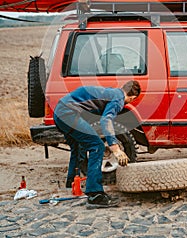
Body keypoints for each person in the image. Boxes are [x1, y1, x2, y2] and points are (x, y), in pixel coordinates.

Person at [54, 80, 141, 209]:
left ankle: (72, 183)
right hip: (68, 113)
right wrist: (115, 148)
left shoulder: (112, 92)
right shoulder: (119, 99)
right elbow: (106, 120)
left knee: (79, 146)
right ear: (132, 98)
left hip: (60, 111)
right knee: (97, 146)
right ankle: (95, 194)